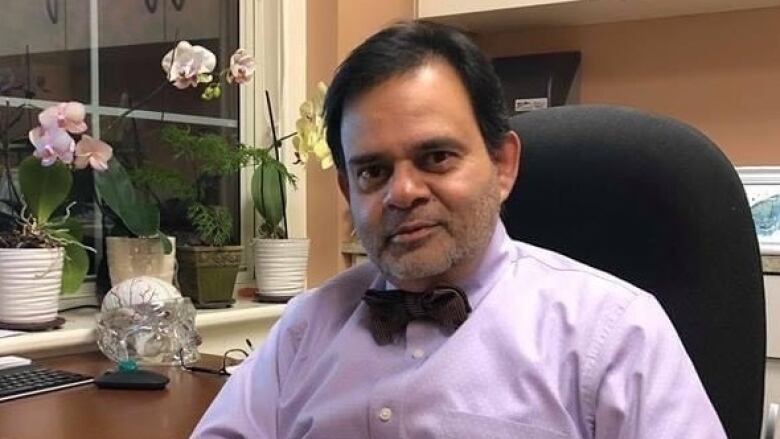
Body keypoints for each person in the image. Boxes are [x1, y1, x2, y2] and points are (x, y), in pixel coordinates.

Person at [191, 21, 726, 438]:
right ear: (348, 193)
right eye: (373, 171)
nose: (402, 192)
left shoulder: (614, 334)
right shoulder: (307, 327)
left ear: (503, 166)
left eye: (437, 157)